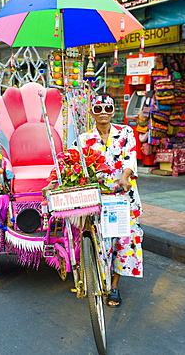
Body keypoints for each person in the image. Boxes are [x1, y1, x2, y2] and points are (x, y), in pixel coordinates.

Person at [42, 93, 143, 308]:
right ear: (92, 113)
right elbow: (67, 162)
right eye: (98, 109)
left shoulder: (126, 132)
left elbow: (130, 158)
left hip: (124, 197)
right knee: (102, 244)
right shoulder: (84, 139)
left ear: (113, 111)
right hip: (98, 199)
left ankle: (114, 286)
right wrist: (52, 182)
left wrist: (125, 177)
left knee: (123, 242)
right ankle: (102, 281)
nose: (103, 113)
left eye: (107, 108)